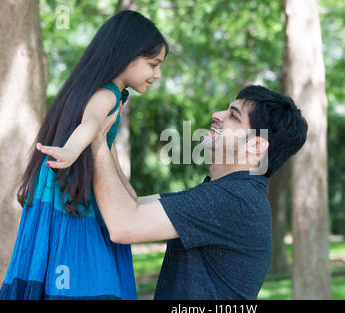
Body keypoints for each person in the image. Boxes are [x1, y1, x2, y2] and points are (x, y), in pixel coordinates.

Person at [45, 84, 307, 300]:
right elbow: (132, 203)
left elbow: (124, 225)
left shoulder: (235, 200)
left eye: (233, 116)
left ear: (256, 146)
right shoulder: (230, 194)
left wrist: (97, 141)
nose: (217, 115)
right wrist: (107, 135)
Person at [0, 10, 168, 300]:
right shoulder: (108, 95)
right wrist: (70, 151)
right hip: (69, 188)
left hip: (67, 185)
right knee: (82, 272)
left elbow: (106, 143)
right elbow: (90, 123)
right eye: (153, 64)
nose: (157, 74)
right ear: (127, 55)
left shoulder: (109, 93)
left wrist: (129, 193)